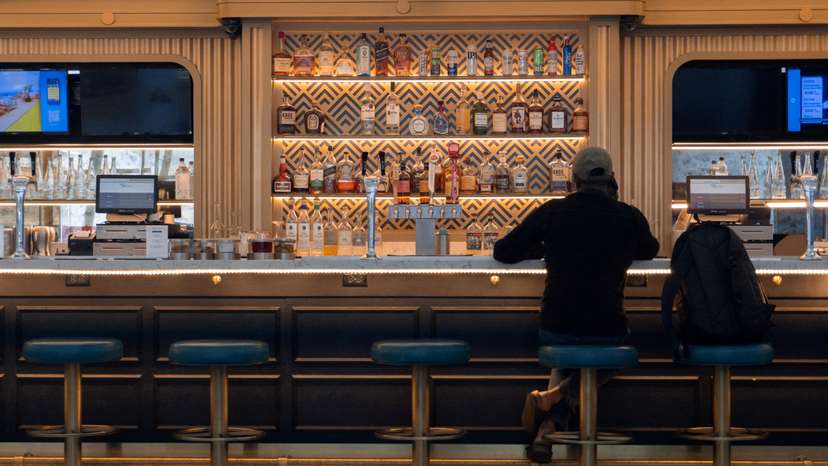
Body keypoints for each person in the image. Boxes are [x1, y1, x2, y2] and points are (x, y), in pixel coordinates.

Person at [493, 146, 660, 463]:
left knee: (567, 358)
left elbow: (504, 251)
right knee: (604, 358)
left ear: (573, 180)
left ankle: (545, 432)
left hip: (557, 329)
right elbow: (651, 250)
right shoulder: (628, 216)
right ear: (611, 178)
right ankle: (554, 401)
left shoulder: (553, 211)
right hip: (608, 331)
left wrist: (543, 248)